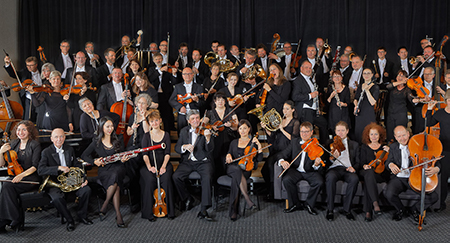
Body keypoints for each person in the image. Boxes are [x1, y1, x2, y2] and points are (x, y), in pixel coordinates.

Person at [38, 128, 92, 231]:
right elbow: (41, 170)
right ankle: (69, 220)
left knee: (86, 190)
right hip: (56, 182)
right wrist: (58, 168)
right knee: (56, 198)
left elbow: (77, 165)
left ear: (65, 137)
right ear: (51, 139)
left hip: (70, 180)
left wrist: (83, 178)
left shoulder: (69, 149)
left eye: (61, 136)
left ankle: (82, 216)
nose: (59, 139)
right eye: (56, 137)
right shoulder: (46, 152)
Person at [384, 126, 440, 222]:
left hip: (415, 177)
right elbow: (387, 162)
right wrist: (390, 164)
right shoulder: (393, 147)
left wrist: (436, 168)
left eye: (404, 135)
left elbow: (435, 159)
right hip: (399, 178)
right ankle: (401, 210)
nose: (402, 138)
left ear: (408, 134)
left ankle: (415, 209)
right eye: (399, 136)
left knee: (434, 196)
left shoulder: (418, 144)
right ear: (395, 137)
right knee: (388, 193)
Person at [81, 117, 129, 228]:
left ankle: (105, 205)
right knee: (115, 184)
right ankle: (118, 214)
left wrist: (123, 159)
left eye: (112, 126)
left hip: (118, 167)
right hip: (104, 169)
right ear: (102, 127)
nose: (110, 129)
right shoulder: (96, 142)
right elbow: (84, 155)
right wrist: (94, 161)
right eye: (107, 126)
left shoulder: (118, 139)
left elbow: (122, 155)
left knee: (116, 174)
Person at [172, 110, 214, 221]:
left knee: (207, 177)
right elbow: (177, 147)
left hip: (203, 161)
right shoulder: (184, 131)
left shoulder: (206, 130)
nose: (195, 120)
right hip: (188, 161)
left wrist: (208, 139)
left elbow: (210, 149)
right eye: (193, 119)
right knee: (176, 177)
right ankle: (187, 198)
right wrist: (184, 146)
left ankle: (204, 209)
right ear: (188, 121)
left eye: (197, 118)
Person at [0, 121, 41, 232]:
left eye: (24, 130)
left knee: (7, 186)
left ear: (29, 131)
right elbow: (1, 164)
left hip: (30, 177)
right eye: (18, 130)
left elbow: (35, 166)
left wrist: (21, 176)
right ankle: (12, 220)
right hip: (15, 176)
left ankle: (7, 221)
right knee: (6, 187)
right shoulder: (13, 144)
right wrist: (0, 152)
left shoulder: (34, 145)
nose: (20, 132)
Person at [277, 121, 323, 215]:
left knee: (319, 182)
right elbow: (282, 154)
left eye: (306, 132)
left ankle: (309, 204)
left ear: (311, 132)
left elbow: (318, 166)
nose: (304, 134)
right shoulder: (294, 142)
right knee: (286, 180)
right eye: (302, 131)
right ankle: (295, 204)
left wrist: (316, 164)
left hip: (309, 171)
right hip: (296, 170)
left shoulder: (316, 145)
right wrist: (282, 161)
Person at [140, 109, 175, 221]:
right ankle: (149, 213)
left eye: (156, 120)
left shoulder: (166, 135)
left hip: (163, 164)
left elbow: (167, 153)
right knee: (150, 180)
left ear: (160, 121)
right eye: (152, 121)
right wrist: (150, 167)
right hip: (149, 165)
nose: (154, 123)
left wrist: (163, 166)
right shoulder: (146, 136)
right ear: (149, 123)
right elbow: (145, 154)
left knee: (166, 180)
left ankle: (169, 211)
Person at [261, 100, 300, 200]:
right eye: (283, 109)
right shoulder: (279, 120)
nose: (284, 111)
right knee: (264, 169)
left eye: (287, 109)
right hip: (275, 149)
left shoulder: (295, 122)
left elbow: (294, 139)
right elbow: (272, 136)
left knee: (270, 166)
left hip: (286, 151)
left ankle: (273, 194)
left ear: (293, 110)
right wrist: (266, 129)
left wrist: (282, 129)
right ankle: (270, 189)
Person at [225, 119, 262, 220]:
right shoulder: (234, 142)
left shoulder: (252, 143)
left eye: (245, 128)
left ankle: (234, 211)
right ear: (238, 130)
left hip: (245, 170)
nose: (242, 131)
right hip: (232, 168)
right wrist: (228, 155)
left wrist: (259, 146)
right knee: (236, 171)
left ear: (249, 129)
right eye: (240, 128)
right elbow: (229, 153)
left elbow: (259, 159)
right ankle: (247, 199)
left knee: (236, 180)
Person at [325, 121, 360, 221]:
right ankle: (330, 209)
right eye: (338, 130)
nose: (340, 133)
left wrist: (354, 168)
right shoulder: (329, 143)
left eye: (343, 130)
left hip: (347, 168)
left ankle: (347, 209)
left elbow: (358, 162)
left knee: (354, 179)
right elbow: (326, 162)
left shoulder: (354, 144)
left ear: (347, 131)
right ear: (335, 131)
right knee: (330, 177)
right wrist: (332, 158)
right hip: (334, 169)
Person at [291, 60, 329, 144]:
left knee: (323, 124)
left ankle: (323, 148)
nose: (309, 69)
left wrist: (316, 107)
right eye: (306, 67)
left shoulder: (311, 79)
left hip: (313, 110)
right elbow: (295, 96)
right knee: (308, 131)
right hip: (305, 111)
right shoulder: (298, 80)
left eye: (310, 68)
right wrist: (309, 95)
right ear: (301, 69)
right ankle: (307, 151)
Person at [359, 123, 390, 221]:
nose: (373, 137)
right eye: (371, 134)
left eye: (376, 134)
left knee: (369, 180)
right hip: (366, 171)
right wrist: (365, 165)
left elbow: (389, 163)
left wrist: (390, 151)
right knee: (369, 173)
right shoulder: (364, 147)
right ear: (367, 135)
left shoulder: (384, 148)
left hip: (380, 174)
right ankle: (375, 203)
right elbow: (361, 163)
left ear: (380, 135)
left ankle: (368, 211)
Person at [204, 92, 238, 179]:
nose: (220, 102)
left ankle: (227, 180)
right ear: (214, 101)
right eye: (218, 100)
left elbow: (236, 126)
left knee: (227, 161)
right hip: (215, 140)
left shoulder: (231, 111)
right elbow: (202, 124)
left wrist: (231, 125)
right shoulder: (209, 113)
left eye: (222, 100)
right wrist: (211, 126)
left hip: (229, 139)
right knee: (216, 161)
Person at [426, 91, 450, 212]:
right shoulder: (440, 113)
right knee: (443, 178)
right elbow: (428, 122)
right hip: (445, 150)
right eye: (449, 100)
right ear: (446, 101)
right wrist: (430, 108)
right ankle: (440, 203)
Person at [4, 56, 41, 121]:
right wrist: (8, 64)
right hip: (30, 99)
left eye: (31, 65)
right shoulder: (24, 72)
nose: (29, 67)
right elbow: (13, 74)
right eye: (27, 65)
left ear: (36, 65)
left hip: (41, 98)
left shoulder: (42, 71)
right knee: (28, 118)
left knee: (40, 118)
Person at [147, 53, 177, 132]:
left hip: (165, 95)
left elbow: (174, 82)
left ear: (162, 59)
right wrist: (160, 71)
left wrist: (174, 74)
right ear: (153, 61)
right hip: (155, 95)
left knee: (166, 115)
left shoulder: (167, 68)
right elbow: (150, 79)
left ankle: (167, 133)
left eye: (160, 59)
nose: (158, 60)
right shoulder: (151, 69)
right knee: (155, 115)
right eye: (156, 59)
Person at [169, 67, 205, 133]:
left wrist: (197, 100)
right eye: (185, 74)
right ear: (182, 76)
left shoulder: (199, 87)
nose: (187, 76)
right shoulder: (178, 87)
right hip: (183, 114)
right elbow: (171, 100)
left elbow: (203, 103)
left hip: (195, 115)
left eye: (189, 74)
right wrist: (180, 107)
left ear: (192, 75)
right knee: (181, 134)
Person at [385, 70, 414, 141]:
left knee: (400, 134)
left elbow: (412, 100)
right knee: (390, 134)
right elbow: (388, 86)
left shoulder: (407, 89)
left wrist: (419, 99)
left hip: (401, 114)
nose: (399, 77)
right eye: (398, 75)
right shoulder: (393, 87)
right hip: (391, 114)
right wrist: (401, 82)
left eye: (402, 76)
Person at [353, 68, 379, 143]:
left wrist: (367, 90)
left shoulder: (375, 87)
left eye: (368, 73)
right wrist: (356, 106)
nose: (366, 75)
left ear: (372, 75)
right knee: (359, 132)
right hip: (360, 112)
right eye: (364, 73)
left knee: (368, 133)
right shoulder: (360, 86)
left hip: (368, 113)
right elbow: (356, 99)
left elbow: (372, 102)